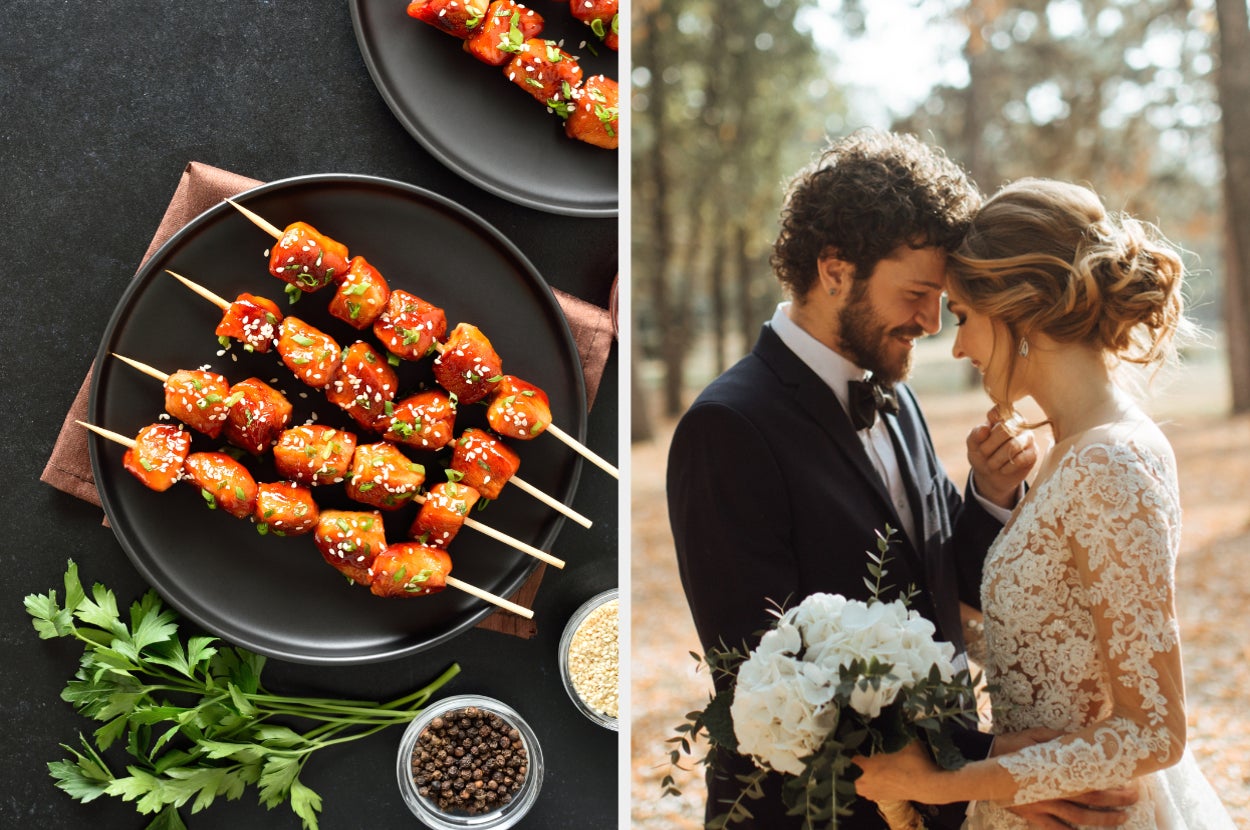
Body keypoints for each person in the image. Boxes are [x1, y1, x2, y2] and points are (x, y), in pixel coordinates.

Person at [667, 131, 1134, 829]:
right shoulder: (727, 427)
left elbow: (948, 585)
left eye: (943, 299)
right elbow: (766, 676)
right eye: (917, 294)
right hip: (813, 814)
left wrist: (988, 495)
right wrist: (990, 764)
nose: (931, 321)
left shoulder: (896, 394)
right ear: (833, 270)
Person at [851, 177, 1235, 828]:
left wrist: (948, 784)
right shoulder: (1069, 451)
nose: (961, 346)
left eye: (966, 317)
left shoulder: (1111, 463)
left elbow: (1154, 733)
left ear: (1020, 309)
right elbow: (1047, 636)